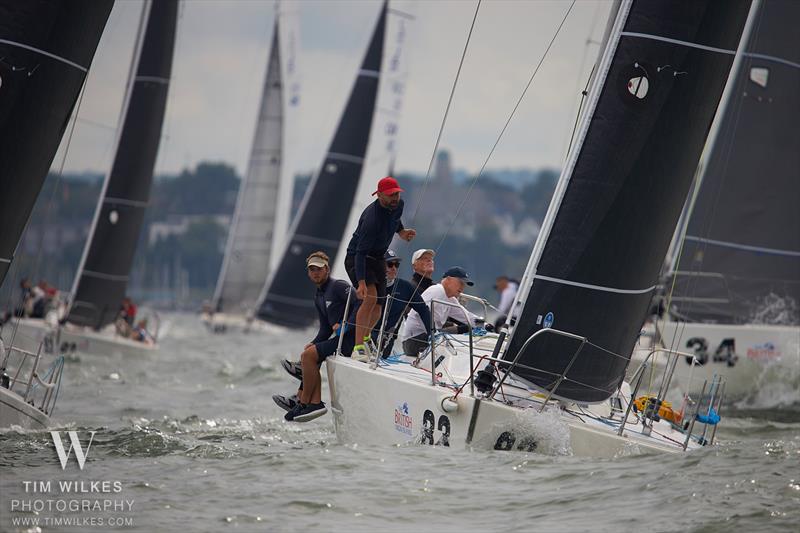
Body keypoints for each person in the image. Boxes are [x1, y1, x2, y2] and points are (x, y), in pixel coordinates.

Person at [276, 251, 359, 423]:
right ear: (308, 273)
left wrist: (346, 325)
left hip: (349, 339)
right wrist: (313, 342)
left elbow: (359, 301)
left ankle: (307, 402)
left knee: (308, 356)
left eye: (319, 269)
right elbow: (325, 328)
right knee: (308, 353)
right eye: (312, 269)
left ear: (327, 269)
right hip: (338, 340)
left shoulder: (337, 286)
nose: (315, 272)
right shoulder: (319, 295)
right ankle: (302, 398)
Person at [344, 176, 416, 360]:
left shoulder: (398, 206)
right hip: (358, 259)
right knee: (370, 299)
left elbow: (396, 220)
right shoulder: (371, 219)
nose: (395, 198)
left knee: (380, 302)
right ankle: (357, 348)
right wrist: (360, 283)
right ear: (380, 195)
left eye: (397, 194)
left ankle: (367, 339)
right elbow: (360, 254)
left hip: (377, 258)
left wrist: (402, 232)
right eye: (391, 195)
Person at [400, 267, 482, 358]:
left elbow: (467, 317)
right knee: (451, 338)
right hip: (413, 341)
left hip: (429, 338)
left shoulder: (450, 299)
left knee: (463, 331)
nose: (463, 287)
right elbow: (420, 312)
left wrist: (485, 325)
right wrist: (434, 334)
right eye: (460, 282)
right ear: (448, 279)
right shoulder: (437, 290)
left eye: (464, 284)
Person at [372, 250, 432, 357]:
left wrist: (432, 334)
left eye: (397, 265)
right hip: (366, 336)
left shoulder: (405, 287)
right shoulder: (370, 285)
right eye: (390, 264)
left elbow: (423, 310)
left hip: (387, 341)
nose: (394, 268)